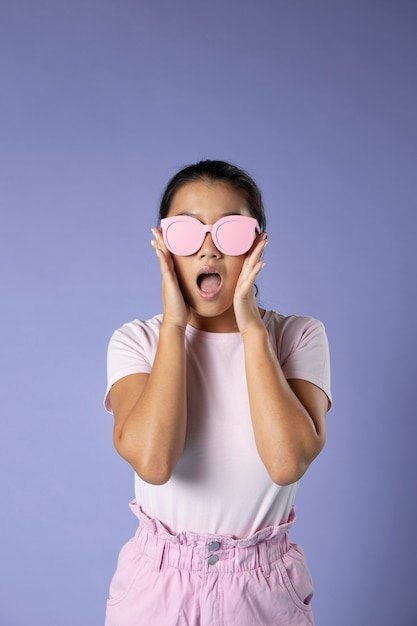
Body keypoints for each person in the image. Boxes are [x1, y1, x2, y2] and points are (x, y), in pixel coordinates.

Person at [104, 160, 332, 626]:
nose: (208, 250)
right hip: (157, 583)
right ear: (164, 246)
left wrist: (251, 328)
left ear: (256, 244)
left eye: (230, 232)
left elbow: (286, 462)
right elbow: (154, 462)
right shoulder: (137, 342)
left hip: (262, 586)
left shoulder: (298, 337)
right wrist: (174, 325)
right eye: (186, 233)